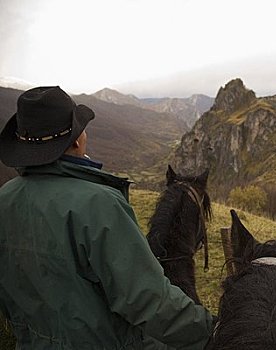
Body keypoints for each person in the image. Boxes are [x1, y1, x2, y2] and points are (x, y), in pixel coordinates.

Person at [0, 86, 213, 349]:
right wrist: (212, 330)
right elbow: (148, 300)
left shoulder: (5, 198)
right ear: (77, 140)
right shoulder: (99, 204)